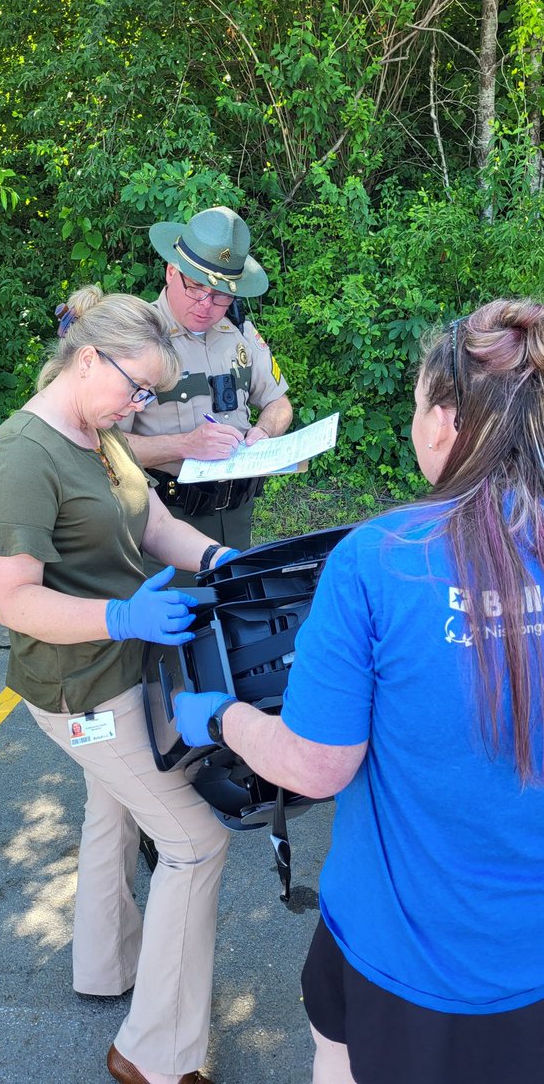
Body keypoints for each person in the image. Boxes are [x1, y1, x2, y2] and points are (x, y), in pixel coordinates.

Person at [175, 298, 544, 1084]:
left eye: (417, 403)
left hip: (402, 951)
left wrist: (221, 716)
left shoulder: (380, 561)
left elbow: (315, 765)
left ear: (443, 419)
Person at [0, 284, 241, 1084]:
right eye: (135, 387)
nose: (141, 404)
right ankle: (151, 1055)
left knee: (115, 804)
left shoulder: (97, 428)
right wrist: (119, 621)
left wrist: (215, 560)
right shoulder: (23, 456)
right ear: (87, 357)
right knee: (195, 843)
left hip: (124, 668)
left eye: (151, 393)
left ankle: (107, 967)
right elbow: (9, 598)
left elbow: (150, 521)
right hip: (79, 687)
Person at [118, 206, 292, 581]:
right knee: (173, 633)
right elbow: (105, 447)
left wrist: (266, 430)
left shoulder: (240, 333)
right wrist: (184, 445)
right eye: (196, 287)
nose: (206, 305)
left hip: (237, 517)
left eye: (220, 296)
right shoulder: (137, 340)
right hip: (164, 523)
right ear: (170, 271)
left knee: (230, 622)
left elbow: (279, 402)